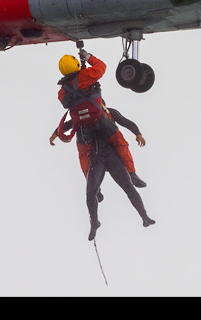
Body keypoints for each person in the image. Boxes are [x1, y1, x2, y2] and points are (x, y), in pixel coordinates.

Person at [49, 50, 154, 240]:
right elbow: (101, 68)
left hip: (95, 147)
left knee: (94, 168)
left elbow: (72, 117)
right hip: (99, 150)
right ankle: (96, 220)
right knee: (118, 146)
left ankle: (144, 215)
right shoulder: (99, 104)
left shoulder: (63, 92)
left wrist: (57, 133)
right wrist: (88, 58)